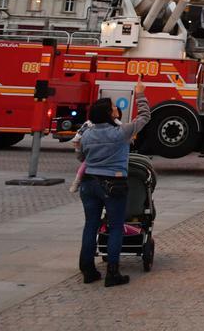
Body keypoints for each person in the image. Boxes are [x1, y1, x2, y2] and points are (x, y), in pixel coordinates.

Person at [77, 81, 150, 287]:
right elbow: (145, 117)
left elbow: (80, 156)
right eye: (113, 107)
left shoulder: (86, 134)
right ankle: (112, 273)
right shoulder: (121, 133)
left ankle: (88, 270)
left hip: (88, 183)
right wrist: (141, 95)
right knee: (116, 226)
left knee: (91, 225)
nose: (116, 108)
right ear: (110, 114)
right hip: (113, 184)